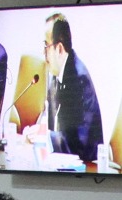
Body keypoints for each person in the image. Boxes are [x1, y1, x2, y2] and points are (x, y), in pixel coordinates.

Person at [39, 12, 104, 162]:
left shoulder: (78, 79)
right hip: (66, 162)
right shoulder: (57, 73)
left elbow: (78, 144)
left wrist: (45, 136)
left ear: (59, 49)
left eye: (46, 46)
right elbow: (51, 122)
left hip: (88, 165)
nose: (43, 52)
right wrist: (39, 131)